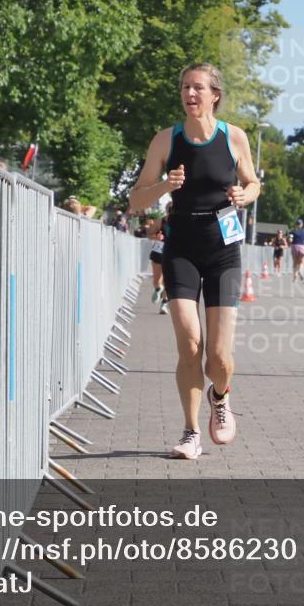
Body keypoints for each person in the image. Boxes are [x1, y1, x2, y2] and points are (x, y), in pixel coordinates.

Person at [128, 62, 260, 460]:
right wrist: (165, 185)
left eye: (198, 87)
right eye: (185, 86)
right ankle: (189, 432)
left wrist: (245, 195)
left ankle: (220, 397)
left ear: (214, 94)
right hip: (181, 245)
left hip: (223, 250)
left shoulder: (234, 137)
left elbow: (253, 182)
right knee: (189, 344)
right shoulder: (166, 140)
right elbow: (135, 201)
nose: (190, 93)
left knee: (218, 357)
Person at [149, 206, 171, 315]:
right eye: (169, 211)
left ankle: (164, 304)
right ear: (167, 211)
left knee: (168, 280)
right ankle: (158, 288)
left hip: (173, 253)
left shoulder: (182, 222)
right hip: (158, 252)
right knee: (157, 279)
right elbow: (149, 234)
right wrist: (155, 236)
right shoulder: (160, 222)